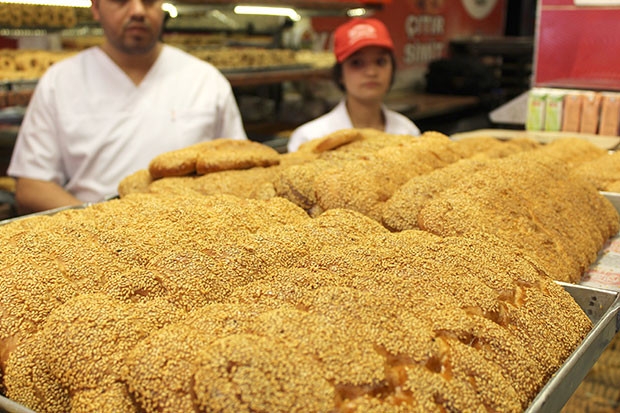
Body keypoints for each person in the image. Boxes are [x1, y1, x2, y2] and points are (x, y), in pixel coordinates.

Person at [8, 0, 247, 215]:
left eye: (149, 1)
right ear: (95, 7)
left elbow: (243, 170)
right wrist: (98, 223)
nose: (137, 10)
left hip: (196, 238)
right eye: (121, 0)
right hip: (91, 239)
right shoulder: (60, 81)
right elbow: (32, 186)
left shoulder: (206, 80)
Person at [287, 18, 420, 153]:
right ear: (340, 74)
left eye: (380, 61)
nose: (371, 72)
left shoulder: (408, 132)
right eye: (357, 63)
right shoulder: (310, 139)